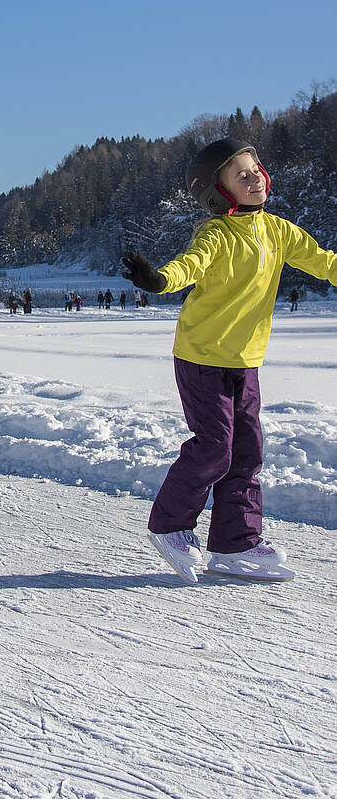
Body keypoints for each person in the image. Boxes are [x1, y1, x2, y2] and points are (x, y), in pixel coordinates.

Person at [123, 137, 337, 584]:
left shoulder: (279, 231)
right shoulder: (217, 234)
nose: (255, 175)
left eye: (256, 167)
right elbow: (190, 265)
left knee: (246, 451)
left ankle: (235, 542)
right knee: (215, 446)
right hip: (202, 357)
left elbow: (323, 262)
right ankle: (170, 526)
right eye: (241, 175)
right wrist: (158, 279)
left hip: (245, 360)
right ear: (220, 193)